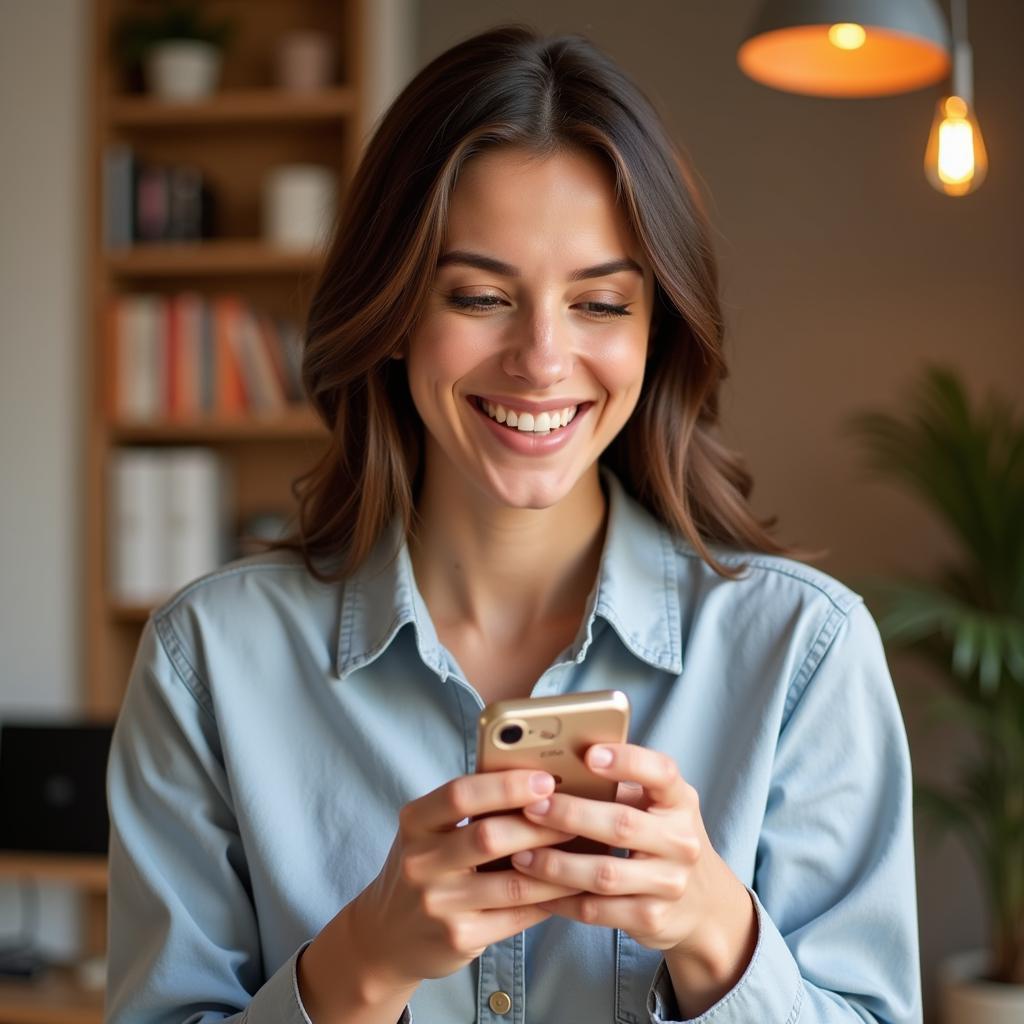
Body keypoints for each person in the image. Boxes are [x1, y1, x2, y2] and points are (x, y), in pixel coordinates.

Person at [104, 23, 921, 1024]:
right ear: (394, 313)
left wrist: (713, 929)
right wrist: (360, 964)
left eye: (600, 303)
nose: (540, 358)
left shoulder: (804, 654)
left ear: (656, 328)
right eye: (480, 295)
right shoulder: (209, 661)